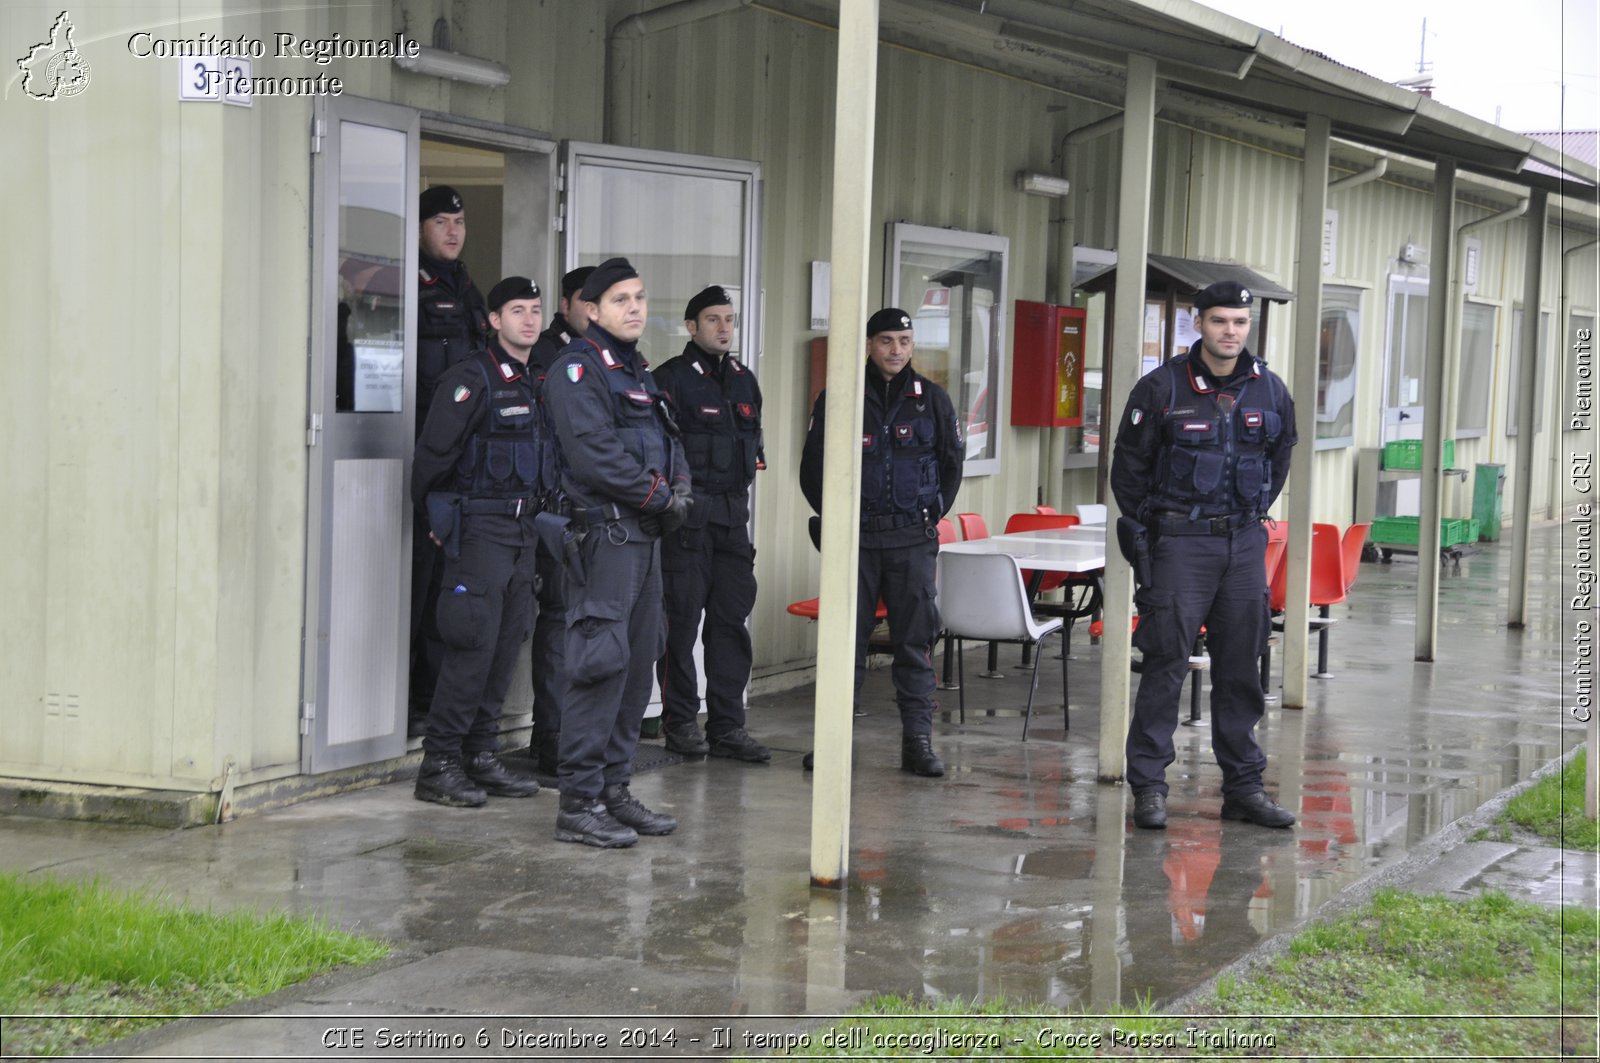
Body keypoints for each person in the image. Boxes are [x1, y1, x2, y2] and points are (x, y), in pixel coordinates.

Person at [1109, 279, 1298, 831]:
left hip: (1242, 544)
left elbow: (1280, 456)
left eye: (1239, 323)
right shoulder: (1162, 387)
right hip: (1179, 546)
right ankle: (1149, 788)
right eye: (1220, 321)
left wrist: (1248, 515)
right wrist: (1159, 532)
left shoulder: (1270, 389)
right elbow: (1128, 471)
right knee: (1165, 665)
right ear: (1199, 324)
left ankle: (1243, 789)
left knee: (1242, 668)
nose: (1230, 332)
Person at [543, 258, 692, 848]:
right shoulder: (577, 370)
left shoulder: (638, 371)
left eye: (639, 298)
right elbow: (594, 456)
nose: (633, 308)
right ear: (592, 310)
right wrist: (661, 498)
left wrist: (680, 490)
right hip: (606, 540)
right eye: (620, 300)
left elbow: (669, 442)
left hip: (644, 540)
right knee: (599, 666)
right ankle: (578, 802)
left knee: (635, 670)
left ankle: (614, 790)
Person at [799, 307, 965, 777]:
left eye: (905, 342)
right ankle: (832, 741)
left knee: (914, 642)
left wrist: (931, 513)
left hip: (912, 540)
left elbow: (951, 466)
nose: (896, 350)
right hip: (857, 542)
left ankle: (917, 742)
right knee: (844, 643)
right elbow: (813, 469)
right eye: (887, 341)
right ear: (870, 345)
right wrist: (838, 523)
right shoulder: (841, 397)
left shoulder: (932, 399)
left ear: (913, 347)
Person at [410, 276, 549, 808]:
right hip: (480, 531)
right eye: (517, 310)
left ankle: (481, 755)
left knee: (504, 648)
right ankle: (439, 764)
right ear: (494, 320)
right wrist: (438, 518)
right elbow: (431, 461)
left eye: (535, 310)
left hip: (522, 533)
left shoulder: (536, 380)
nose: (529, 320)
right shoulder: (470, 380)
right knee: (470, 647)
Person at [651, 287, 771, 763]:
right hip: (686, 523)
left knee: (729, 624)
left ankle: (726, 725)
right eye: (713, 319)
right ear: (691, 326)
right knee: (680, 626)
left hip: (731, 521)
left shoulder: (744, 381)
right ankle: (680, 721)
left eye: (729, 319)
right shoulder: (671, 380)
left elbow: (753, 449)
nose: (724, 328)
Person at [410, 185, 491, 737]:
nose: (453, 231)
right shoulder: (405, 282)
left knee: (447, 585)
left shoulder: (466, 287)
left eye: (458, 222)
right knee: (414, 585)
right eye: (441, 221)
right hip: (421, 453)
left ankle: (432, 698)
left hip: (462, 463)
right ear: (419, 227)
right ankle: (409, 699)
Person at [518, 265, 595, 776]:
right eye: (587, 302)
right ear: (567, 305)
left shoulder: (609, 360)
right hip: (556, 507)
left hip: (600, 509)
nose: (594, 311)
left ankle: (584, 734)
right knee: (558, 619)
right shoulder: (547, 356)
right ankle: (550, 735)